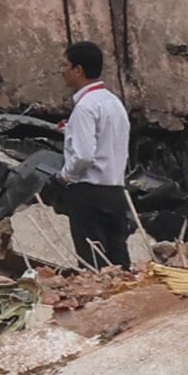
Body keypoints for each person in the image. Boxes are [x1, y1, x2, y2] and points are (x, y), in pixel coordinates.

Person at [52, 40, 134, 269]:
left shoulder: (85, 107)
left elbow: (84, 156)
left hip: (89, 193)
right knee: (119, 262)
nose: (62, 70)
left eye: (65, 65)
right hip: (115, 190)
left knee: (93, 264)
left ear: (78, 70)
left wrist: (62, 177)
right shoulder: (114, 103)